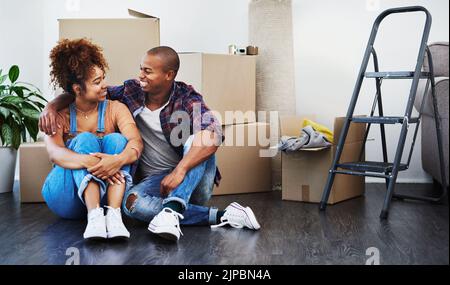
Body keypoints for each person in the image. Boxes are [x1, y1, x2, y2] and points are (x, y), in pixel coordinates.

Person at [40, 46, 260, 242]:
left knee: (199, 138)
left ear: (168, 75)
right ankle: (221, 216)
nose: (140, 75)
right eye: (141, 69)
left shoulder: (186, 97)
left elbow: (213, 133)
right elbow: (86, 92)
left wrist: (180, 170)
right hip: (155, 182)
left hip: (191, 178)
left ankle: (172, 210)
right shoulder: (132, 91)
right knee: (131, 205)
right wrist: (50, 107)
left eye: (147, 71)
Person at [41, 38, 143, 240]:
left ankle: (113, 216)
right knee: (85, 139)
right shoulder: (58, 115)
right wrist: (97, 163)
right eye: (97, 82)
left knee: (117, 141)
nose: (105, 85)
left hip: (109, 195)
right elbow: (55, 154)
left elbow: (136, 142)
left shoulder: (116, 108)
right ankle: (95, 216)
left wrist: (117, 160)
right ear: (77, 89)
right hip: (65, 197)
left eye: (103, 78)